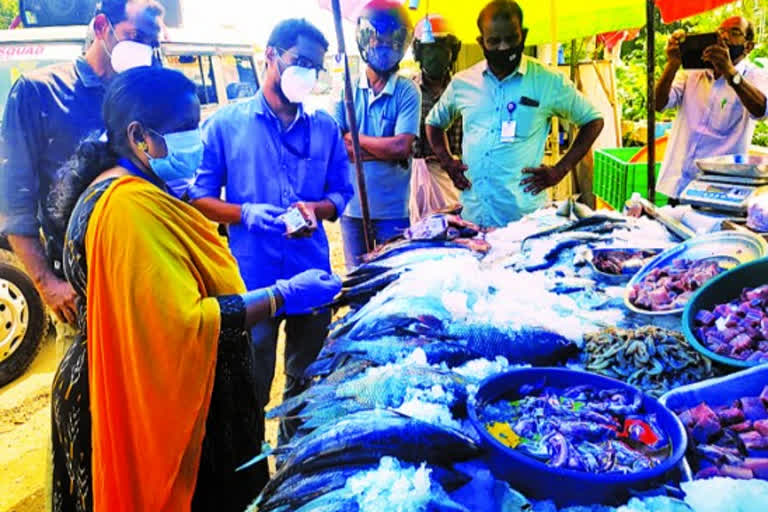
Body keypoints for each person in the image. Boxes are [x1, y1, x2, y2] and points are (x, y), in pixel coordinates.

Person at [50, 67, 341, 512]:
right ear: (138, 136)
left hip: (157, 383)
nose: (196, 139)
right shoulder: (127, 208)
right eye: (184, 128)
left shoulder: (143, 188)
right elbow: (180, 324)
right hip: (140, 395)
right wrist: (282, 295)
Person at [188, 19, 353, 442]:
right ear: (271, 56)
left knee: (304, 382)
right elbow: (200, 198)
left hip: (310, 275)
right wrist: (244, 213)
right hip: (251, 281)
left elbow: (341, 193)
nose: (308, 75)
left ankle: (292, 459)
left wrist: (317, 208)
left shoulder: (325, 129)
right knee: (250, 384)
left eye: (316, 68)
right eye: (300, 62)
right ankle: (249, 467)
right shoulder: (226, 126)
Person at [0, 0, 165, 328]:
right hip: (81, 295)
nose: (145, 51)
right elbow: (13, 203)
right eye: (136, 37)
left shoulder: (144, 98)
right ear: (102, 27)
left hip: (145, 282)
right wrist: (48, 285)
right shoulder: (40, 93)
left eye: (153, 44)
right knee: (87, 380)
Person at [425, 0, 604, 228]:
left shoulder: (548, 81)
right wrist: (447, 161)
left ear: (524, 35)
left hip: (524, 223)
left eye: (511, 39)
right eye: (494, 41)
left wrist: (561, 169)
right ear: (481, 42)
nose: (503, 48)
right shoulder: (462, 83)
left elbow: (593, 120)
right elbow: (434, 122)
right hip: (474, 219)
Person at [334, 0, 421, 269]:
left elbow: (401, 148)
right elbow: (337, 149)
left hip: (392, 212)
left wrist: (355, 139)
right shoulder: (346, 90)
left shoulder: (407, 91)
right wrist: (381, 151)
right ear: (364, 39)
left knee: (391, 282)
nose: (384, 47)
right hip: (352, 211)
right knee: (357, 279)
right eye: (377, 39)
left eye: (392, 40)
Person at [655, 17, 768, 201]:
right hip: (679, 184)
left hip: (718, 190)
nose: (724, 36)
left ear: (748, 47)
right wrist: (673, 64)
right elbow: (659, 104)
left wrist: (730, 73)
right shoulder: (693, 72)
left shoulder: (755, 76)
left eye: (734, 32)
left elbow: (762, 110)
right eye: (720, 31)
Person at [409, 14, 463, 222]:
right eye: (429, 49)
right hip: (419, 179)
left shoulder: (463, 90)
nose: (435, 56)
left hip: (455, 180)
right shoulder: (409, 91)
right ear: (419, 53)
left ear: (452, 53)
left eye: (442, 49)